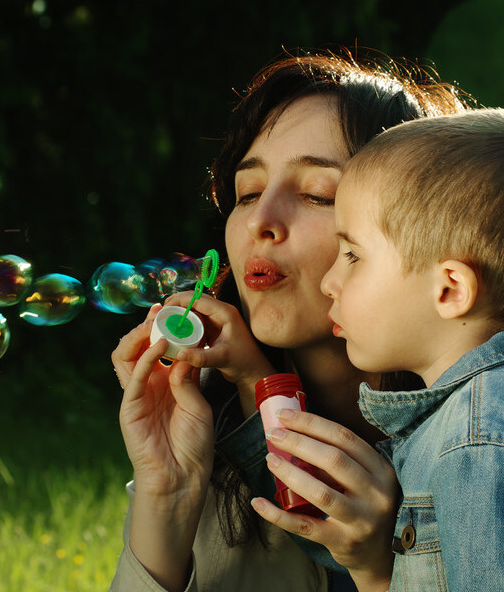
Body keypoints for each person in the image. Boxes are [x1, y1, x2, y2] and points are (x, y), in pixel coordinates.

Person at [110, 49, 469, 592]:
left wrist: (383, 569)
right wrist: (169, 493)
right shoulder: (206, 419)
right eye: (247, 192)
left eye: (315, 194)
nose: (260, 219)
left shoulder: (487, 444)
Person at [307, 108, 504, 590]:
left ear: (450, 290)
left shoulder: (483, 448)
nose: (329, 281)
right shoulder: (490, 415)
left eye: (353, 255)